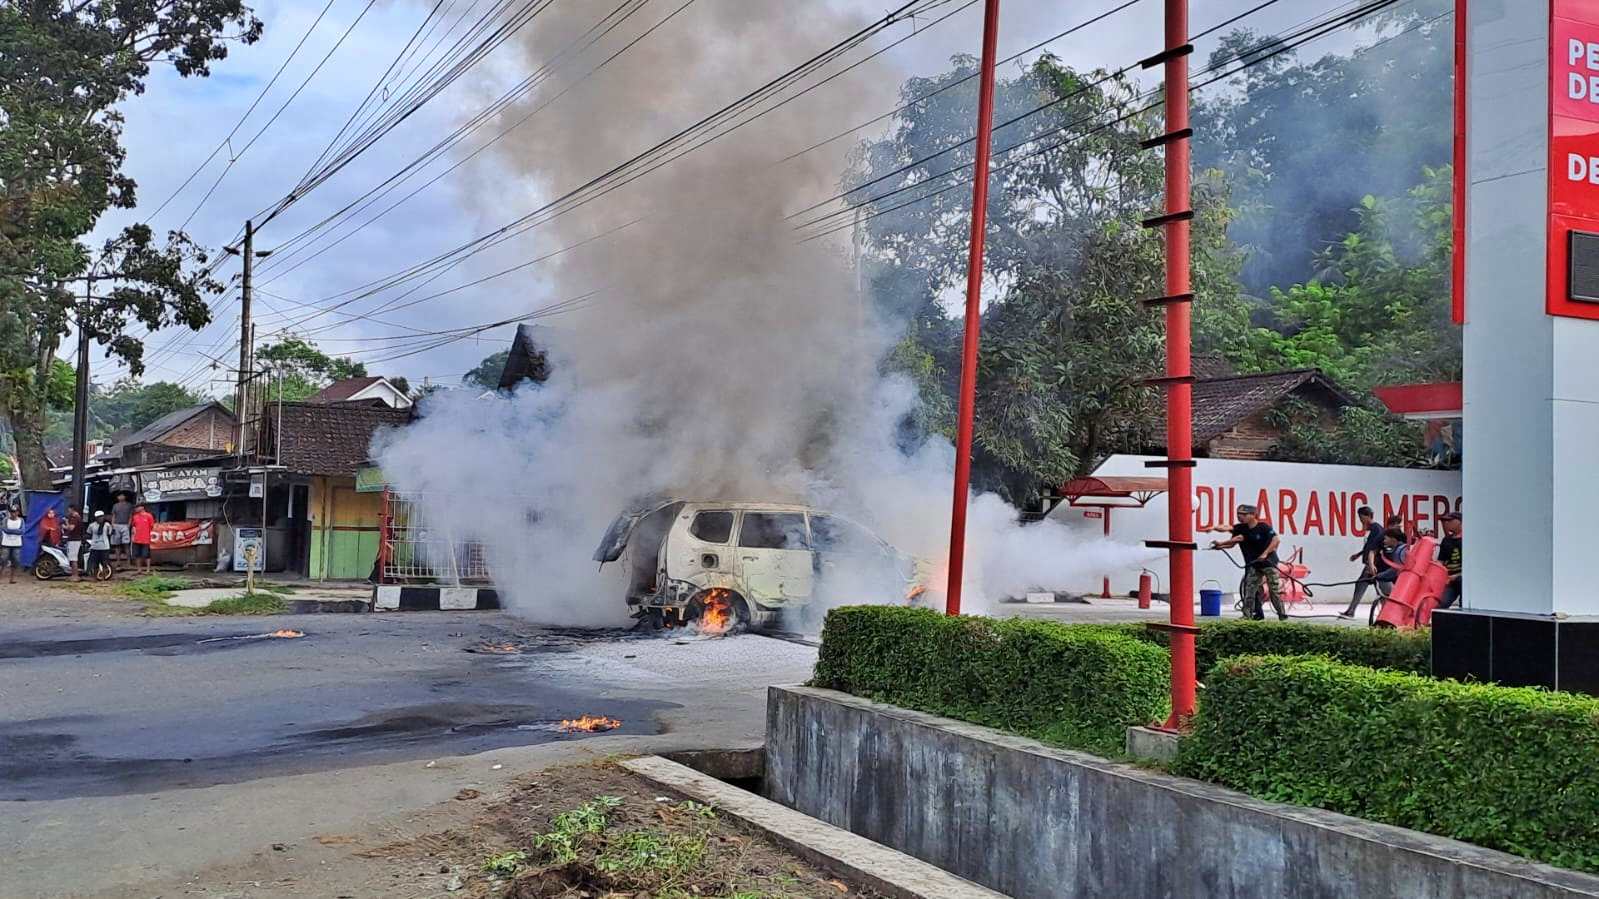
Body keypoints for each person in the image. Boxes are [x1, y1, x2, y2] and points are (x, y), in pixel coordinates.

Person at [1210, 504, 1287, 621]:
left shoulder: (1263, 527)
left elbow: (1276, 540)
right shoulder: (1241, 528)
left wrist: (1265, 553)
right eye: (1238, 514)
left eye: (1244, 514)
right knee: (1249, 590)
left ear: (1253, 515)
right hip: (1254, 564)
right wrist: (1219, 542)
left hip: (1268, 563)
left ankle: (1282, 615)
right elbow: (1231, 537)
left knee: (1274, 591)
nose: (1240, 517)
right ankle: (1247, 615)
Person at [1340, 506, 1386, 619]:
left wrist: (1371, 564)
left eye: (1361, 517)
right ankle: (1352, 611)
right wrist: (1359, 554)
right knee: (1375, 588)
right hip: (1372, 563)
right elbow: (1368, 546)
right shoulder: (1372, 529)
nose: (1360, 520)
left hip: (1374, 564)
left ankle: (1351, 611)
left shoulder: (1376, 529)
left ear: (1367, 516)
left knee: (1367, 586)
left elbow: (1374, 548)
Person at [1437, 512, 1463, 608]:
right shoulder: (1446, 540)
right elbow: (1440, 561)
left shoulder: (1468, 539)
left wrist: (1457, 576)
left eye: (1450, 520)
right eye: (1446, 521)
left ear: (1459, 522)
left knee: (1464, 604)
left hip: (1463, 579)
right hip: (1449, 579)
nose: (1447, 523)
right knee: (1441, 604)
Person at [85, 510, 113, 580]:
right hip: (94, 547)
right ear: (96, 518)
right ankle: (95, 576)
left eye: (101, 517)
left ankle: (104, 576)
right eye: (98, 517)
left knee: (105, 562)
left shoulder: (107, 525)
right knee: (95, 563)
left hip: (104, 547)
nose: (100, 518)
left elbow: (110, 533)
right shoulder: (92, 525)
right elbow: (88, 534)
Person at [130, 504, 156, 574]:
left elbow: (152, 526)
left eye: (137, 507)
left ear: (142, 507)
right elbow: (133, 526)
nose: (136, 509)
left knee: (146, 555)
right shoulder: (135, 517)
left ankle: (148, 570)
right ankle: (139, 570)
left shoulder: (149, 516)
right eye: (135, 508)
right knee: (137, 555)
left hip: (145, 538)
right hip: (136, 538)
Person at [1, 504, 24, 584]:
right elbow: (4, 529)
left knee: (16, 561)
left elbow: (22, 531)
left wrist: (10, 531)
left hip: (16, 543)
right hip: (6, 543)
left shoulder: (21, 520)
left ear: (18, 512)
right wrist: (16, 531)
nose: (13, 513)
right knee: (4, 560)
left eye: (15, 512)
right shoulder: (6, 520)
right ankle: (1, 576)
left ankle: (12, 578)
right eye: (12, 512)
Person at [110, 492, 133, 566]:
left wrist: (129, 525)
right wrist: (112, 524)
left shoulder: (129, 505)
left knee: (126, 544)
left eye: (122, 495)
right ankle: (118, 561)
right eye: (119, 496)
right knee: (117, 544)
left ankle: (128, 561)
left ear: (125, 497)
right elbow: (113, 515)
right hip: (116, 525)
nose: (120, 497)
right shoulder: (115, 505)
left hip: (125, 525)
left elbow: (131, 516)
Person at [64, 504, 85, 581]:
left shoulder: (75, 518)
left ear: (72, 509)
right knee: (72, 558)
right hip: (74, 539)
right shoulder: (77, 517)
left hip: (74, 540)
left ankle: (75, 576)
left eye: (69, 509)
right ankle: (73, 575)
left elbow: (71, 528)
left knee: (73, 558)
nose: (68, 511)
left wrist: (65, 524)